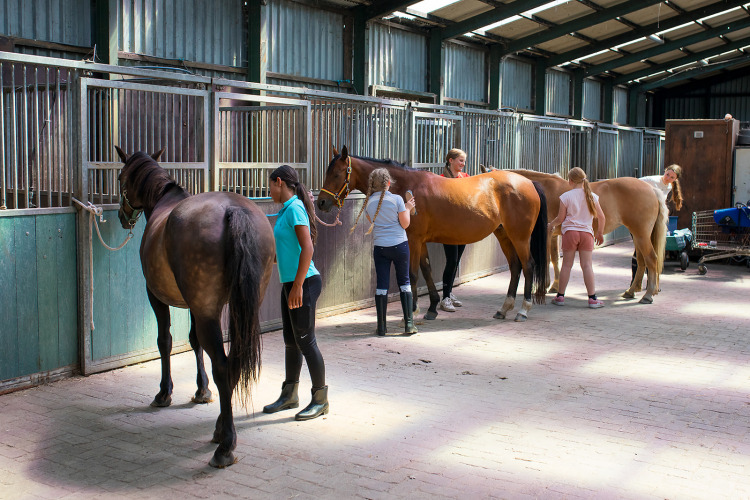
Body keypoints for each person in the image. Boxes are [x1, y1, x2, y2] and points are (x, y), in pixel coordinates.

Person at [263, 165, 328, 421]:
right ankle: (290, 395)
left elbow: (307, 249)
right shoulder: (285, 210)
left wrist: (299, 285)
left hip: (305, 283)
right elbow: (289, 251)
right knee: (291, 342)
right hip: (291, 283)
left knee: (306, 341)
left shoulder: (295, 208)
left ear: (279, 182)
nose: (269, 190)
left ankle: (320, 399)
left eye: (270, 185)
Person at [350, 168, 418, 336]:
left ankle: (381, 327)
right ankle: (409, 324)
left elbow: (373, 221)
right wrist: (408, 208)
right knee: (404, 282)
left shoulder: (368, 203)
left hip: (380, 248)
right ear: (389, 183)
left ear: (372, 185)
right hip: (400, 246)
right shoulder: (397, 200)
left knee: (382, 286)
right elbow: (405, 225)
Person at [547, 167, 606, 309]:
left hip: (570, 233)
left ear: (570, 181)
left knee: (567, 265)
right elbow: (602, 217)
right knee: (587, 265)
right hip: (587, 234)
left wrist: (551, 224)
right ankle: (592, 299)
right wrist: (600, 233)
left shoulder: (566, 196)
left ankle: (560, 296)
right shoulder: (593, 197)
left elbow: (560, 218)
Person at [633, 164, 683, 281]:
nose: (668, 178)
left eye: (672, 177)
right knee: (640, 248)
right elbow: (633, 184)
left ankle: (651, 281)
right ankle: (635, 281)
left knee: (652, 249)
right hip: (640, 219)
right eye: (667, 175)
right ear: (664, 171)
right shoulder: (651, 180)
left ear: (675, 179)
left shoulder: (669, 187)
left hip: (654, 220)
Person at [439, 148, 469, 313]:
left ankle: (449, 293)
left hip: (463, 227)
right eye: (460, 160)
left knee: (456, 261)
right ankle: (444, 298)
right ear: (450, 160)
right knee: (451, 261)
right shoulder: (442, 179)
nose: (463, 164)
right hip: (449, 227)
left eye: (464, 161)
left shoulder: (466, 178)